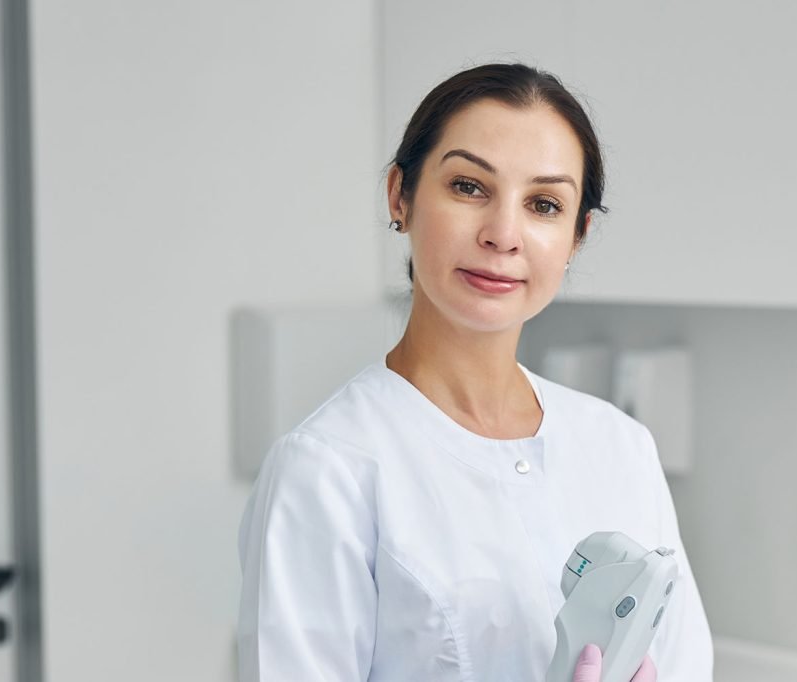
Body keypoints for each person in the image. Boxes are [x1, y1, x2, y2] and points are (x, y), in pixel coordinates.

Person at [237, 63, 713, 681]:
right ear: (400, 196)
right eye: (468, 187)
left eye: (544, 204)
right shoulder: (328, 470)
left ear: (577, 236)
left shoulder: (620, 448)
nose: (503, 234)